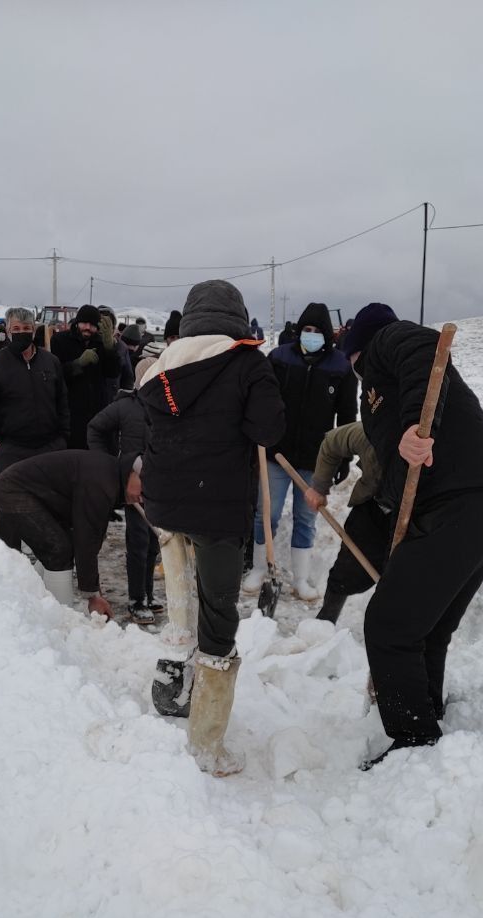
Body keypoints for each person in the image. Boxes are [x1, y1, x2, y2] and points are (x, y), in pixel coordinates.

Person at [341, 302, 483, 769]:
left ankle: (413, 740)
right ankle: (426, 711)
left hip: (462, 503)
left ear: (357, 347)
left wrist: (415, 428)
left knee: (388, 624)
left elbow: (426, 350)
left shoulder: (389, 339)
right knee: (427, 627)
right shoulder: (373, 392)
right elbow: (394, 467)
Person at [137, 279, 285, 776]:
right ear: (238, 316)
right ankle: (206, 742)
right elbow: (269, 430)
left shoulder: (162, 363)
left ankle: (170, 683)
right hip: (216, 509)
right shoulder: (248, 364)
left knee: (180, 599)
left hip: (163, 503)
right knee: (218, 616)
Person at [243, 302, 357, 601]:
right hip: (277, 453)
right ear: (298, 331)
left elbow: (347, 416)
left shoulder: (340, 368)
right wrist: (259, 432)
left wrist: (344, 457)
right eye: (307, 330)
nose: (311, 335)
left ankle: (301, 579)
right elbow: (262, 399)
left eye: (317, 331)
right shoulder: (280, 359)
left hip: (316, 459)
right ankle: (259, 568)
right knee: (266, 513)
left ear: (327, 336)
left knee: (306, 519)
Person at [0, 449, 141, 619]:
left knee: (61, 547)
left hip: (30, 493)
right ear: (134, 473)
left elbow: (90, 535)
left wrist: (93, 588)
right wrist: (92, 595)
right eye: (144, 489)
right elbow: (87, 538)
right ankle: (61, 620)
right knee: (58, 551)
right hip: (12, 491)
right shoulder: (102, 481)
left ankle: (31, 601)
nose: (141, 498)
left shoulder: (110, 475)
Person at [88, 356, 161, 624]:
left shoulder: (167, 407)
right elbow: (95, 428)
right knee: (139, 542)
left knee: (155, 541)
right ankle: (136, 598)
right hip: (135, 483)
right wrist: (108, 463)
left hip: (160, 484)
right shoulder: (125, 407)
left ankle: (149, 593)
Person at [0, 306, 69, 482]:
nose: (21, 332)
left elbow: (62, 401)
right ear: (8, 331)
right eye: (16, 329)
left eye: (26, 328)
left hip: (49, 448)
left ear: (33, 330)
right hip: (10, 450)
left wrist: (62, 438)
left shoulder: (51, 362)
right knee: (13, 503)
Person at [303, 421, 386, 622]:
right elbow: (332, 441)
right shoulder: (370, 433)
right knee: (347, 570)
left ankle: (397, 637)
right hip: (374, 505)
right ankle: (326, 620)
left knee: (409, 578)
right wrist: (319, 487)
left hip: (423, 515)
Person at [49, 304, 120, 449]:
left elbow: (113, 372)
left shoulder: (100, 342)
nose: (88, 327)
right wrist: (78, 364)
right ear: (77, 322)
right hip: (71, 412)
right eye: (84, 323)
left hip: (97, 411)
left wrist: (109, 349)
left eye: (93, 324)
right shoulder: (60, 340)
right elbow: (56, 374)